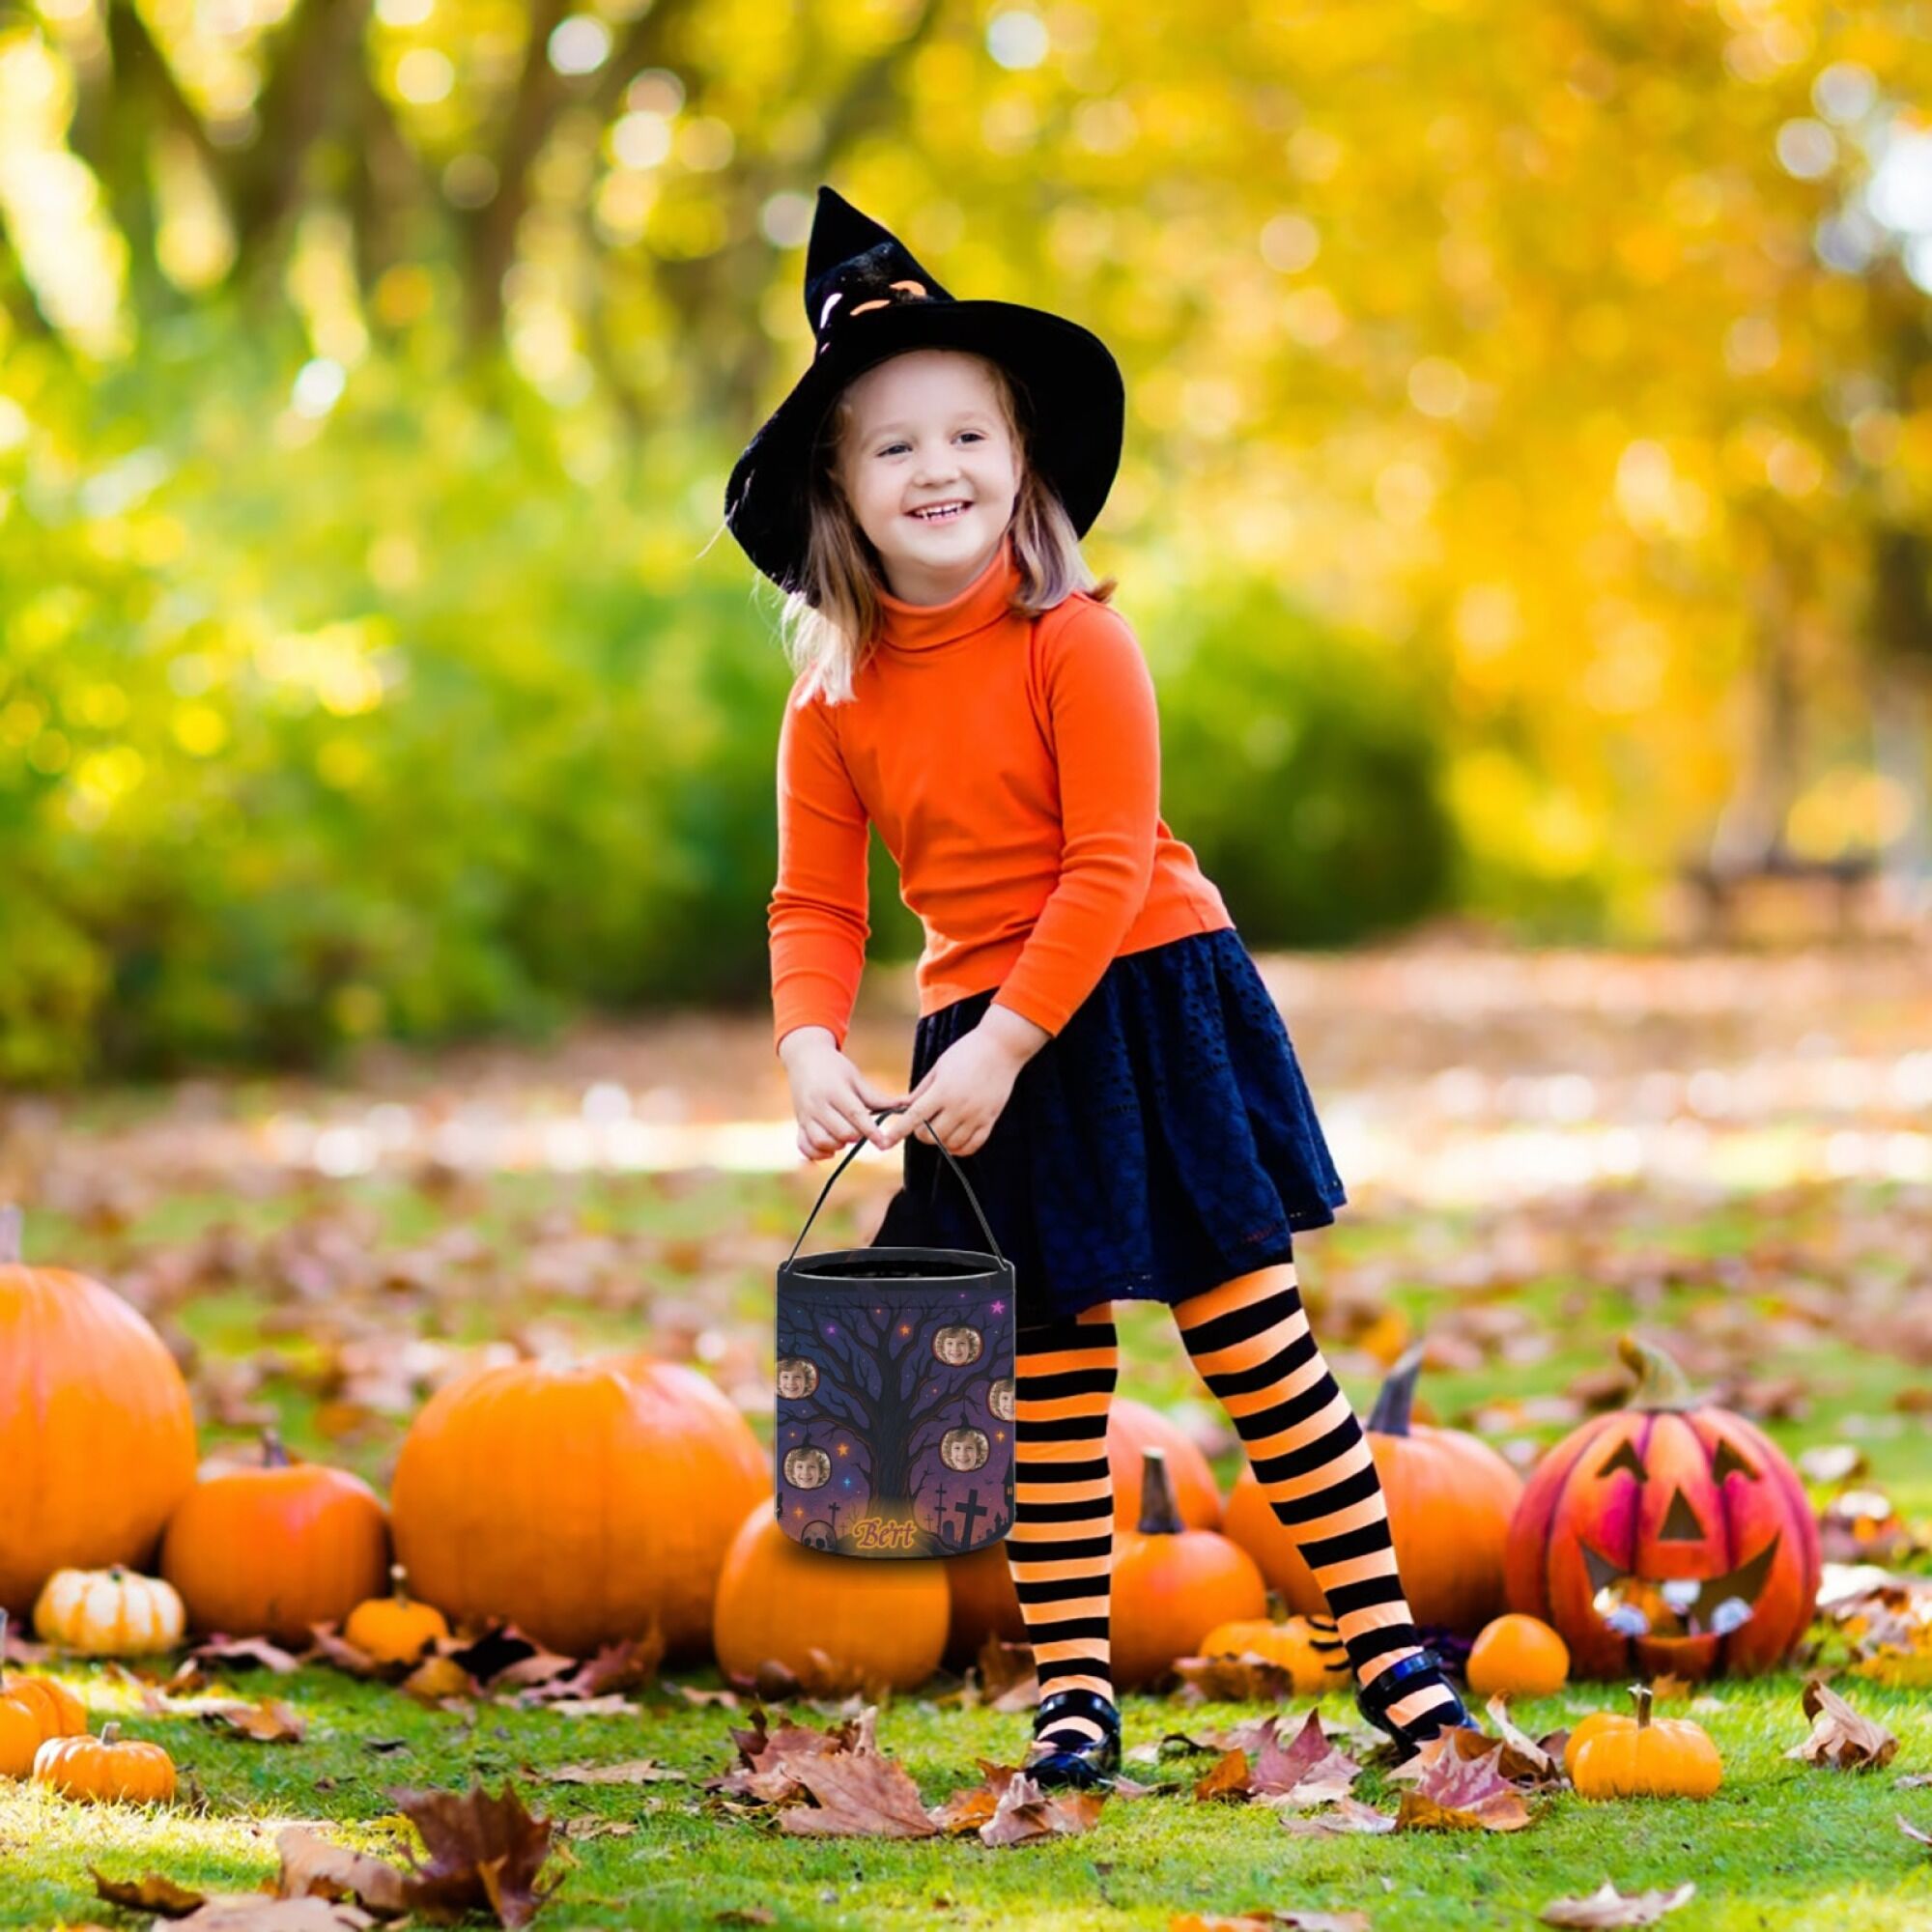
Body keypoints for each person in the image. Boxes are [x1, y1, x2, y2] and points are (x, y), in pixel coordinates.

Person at [725, 185, 1479, 1793]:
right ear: (839, 495)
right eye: (891, 447)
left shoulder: (1077, 643)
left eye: (967, 437)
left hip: (1138, 1001)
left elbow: (1105, 861)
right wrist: (806, 1046)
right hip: (980, 1040)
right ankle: (1077, 1688)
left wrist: (1009, 1040)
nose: (935, 470)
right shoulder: (835, 701)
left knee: (1252, 1346)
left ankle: (1392, 1654)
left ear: (1022, 463)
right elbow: (813, 900)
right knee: (1049, 1379)